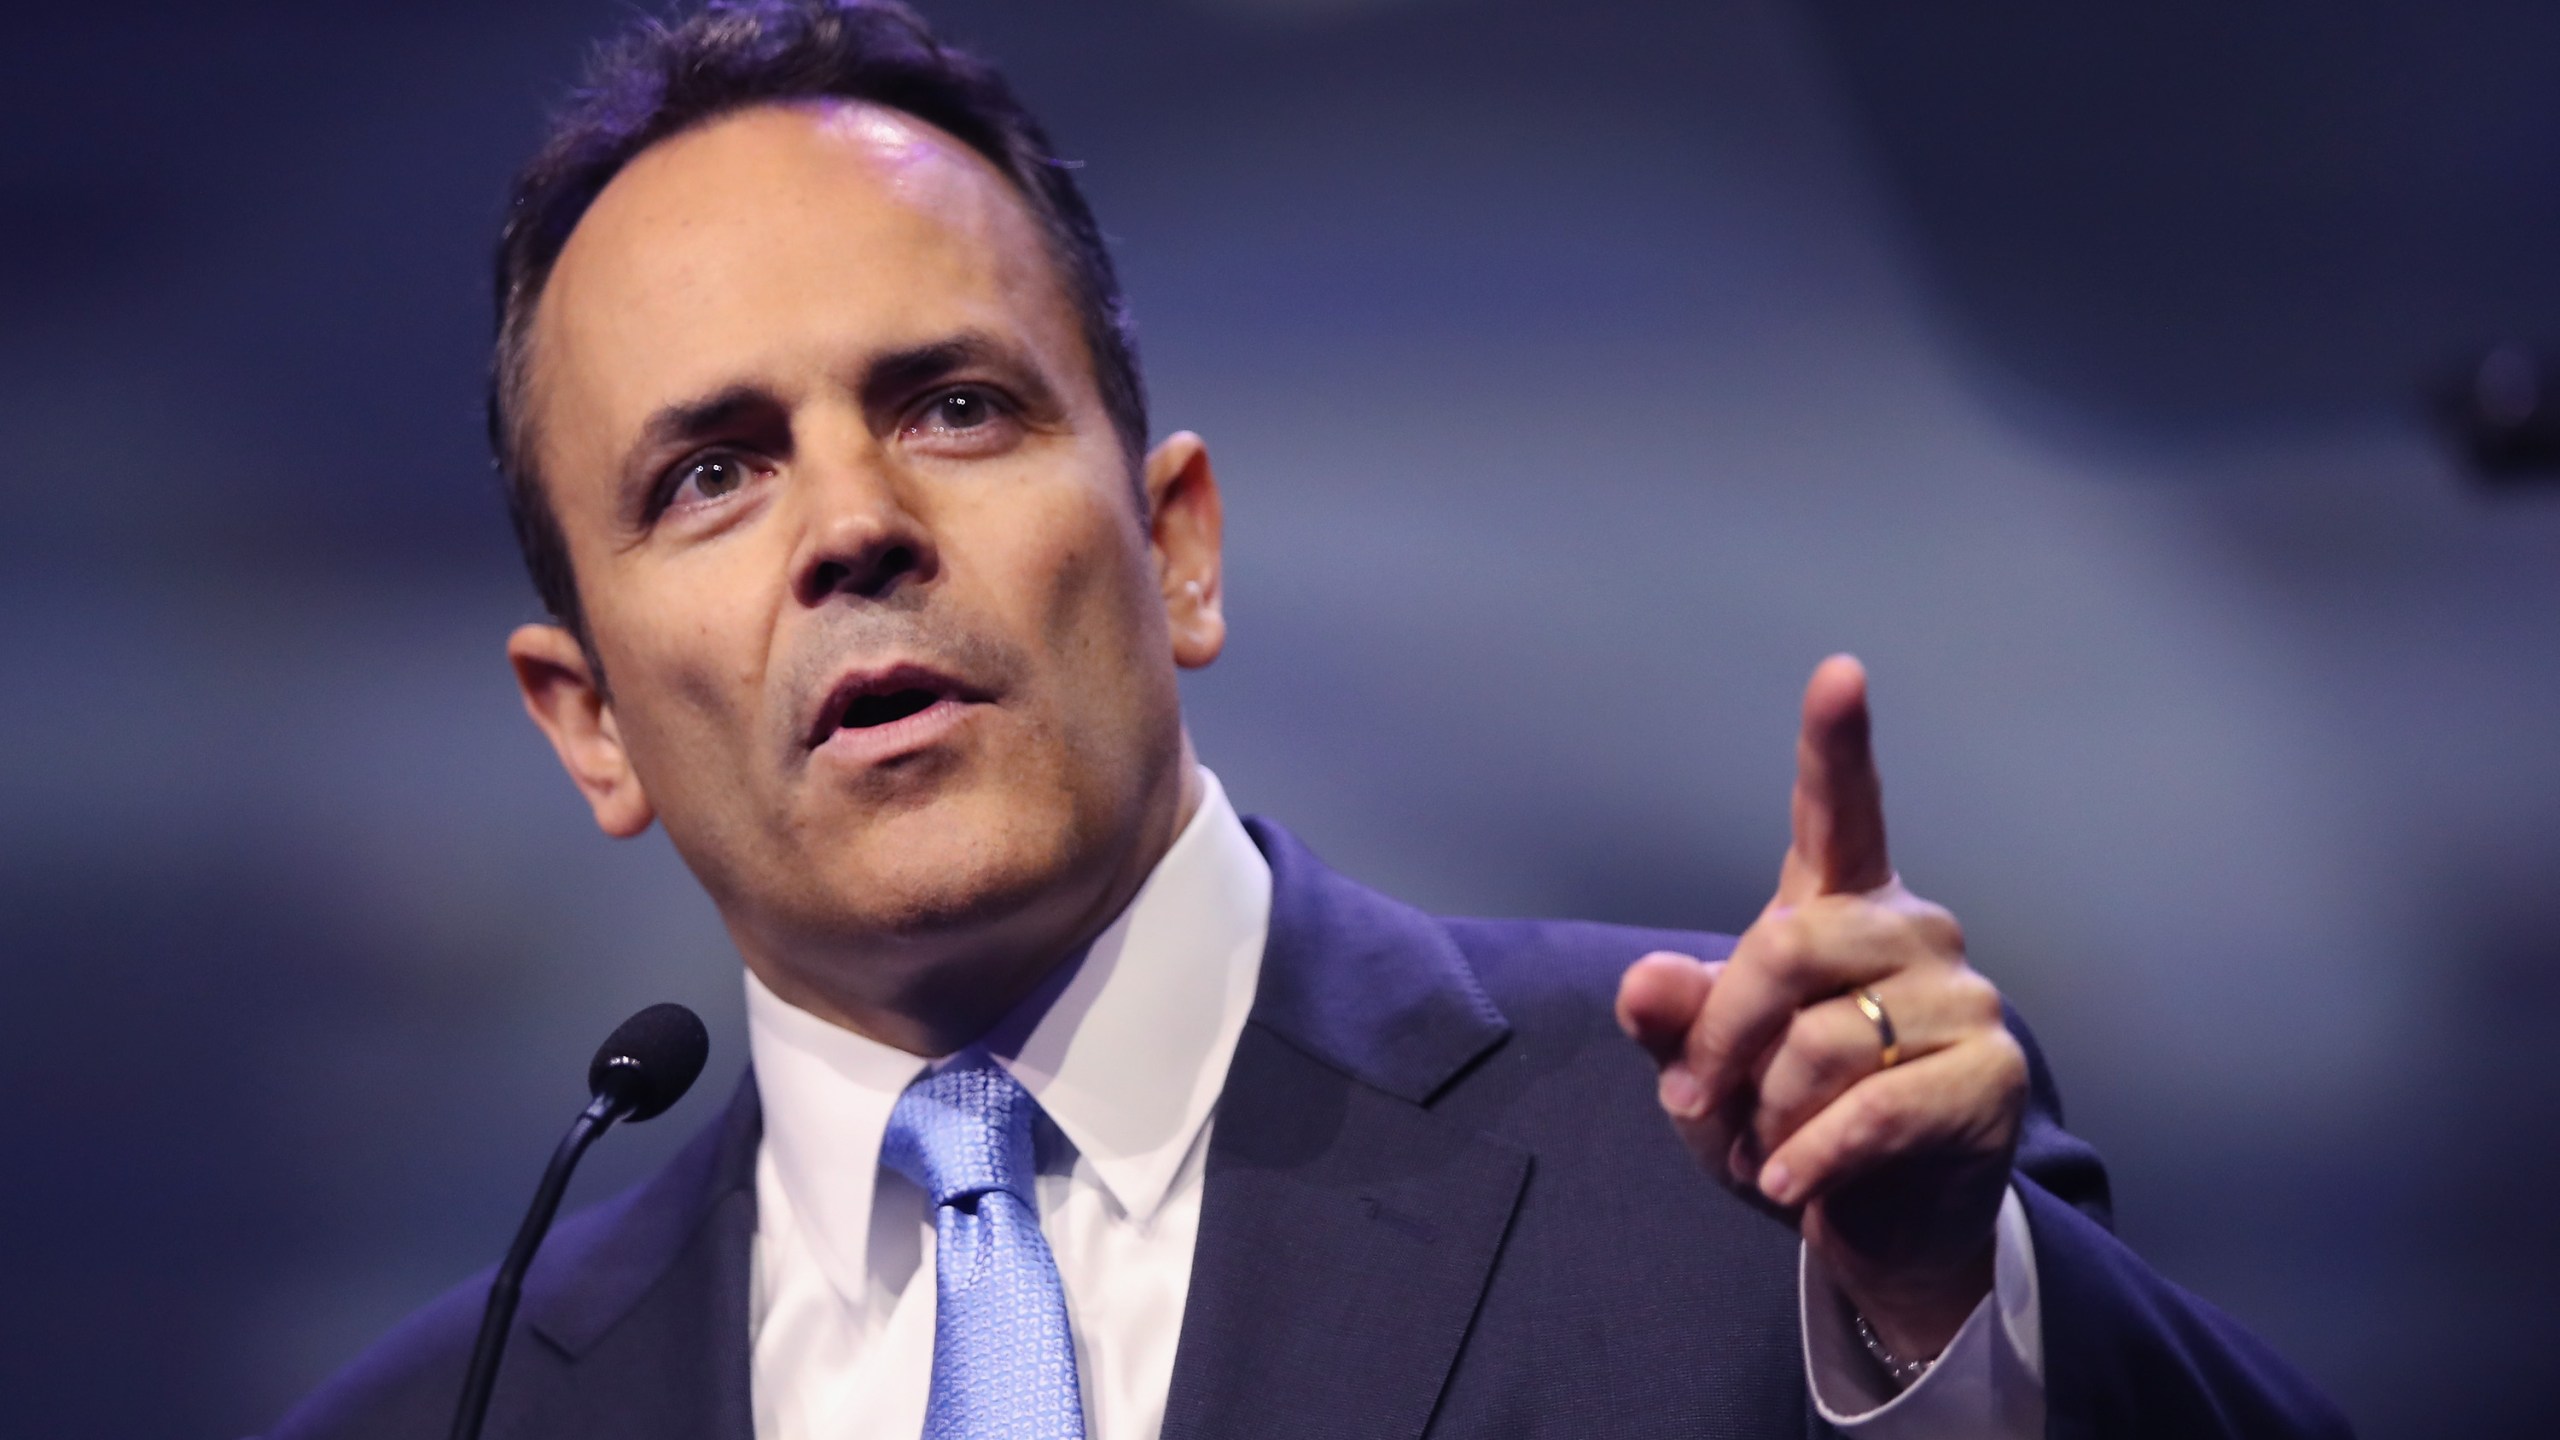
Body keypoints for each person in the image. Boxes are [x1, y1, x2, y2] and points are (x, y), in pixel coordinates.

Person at [265, 2, 2349, 1437]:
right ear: (587, 723)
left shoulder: (1748, 1175)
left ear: (1176, 543)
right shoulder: (449, 1418)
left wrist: (1936, 1314)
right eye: (710, 473)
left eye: (953, 405)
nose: (854, 529)